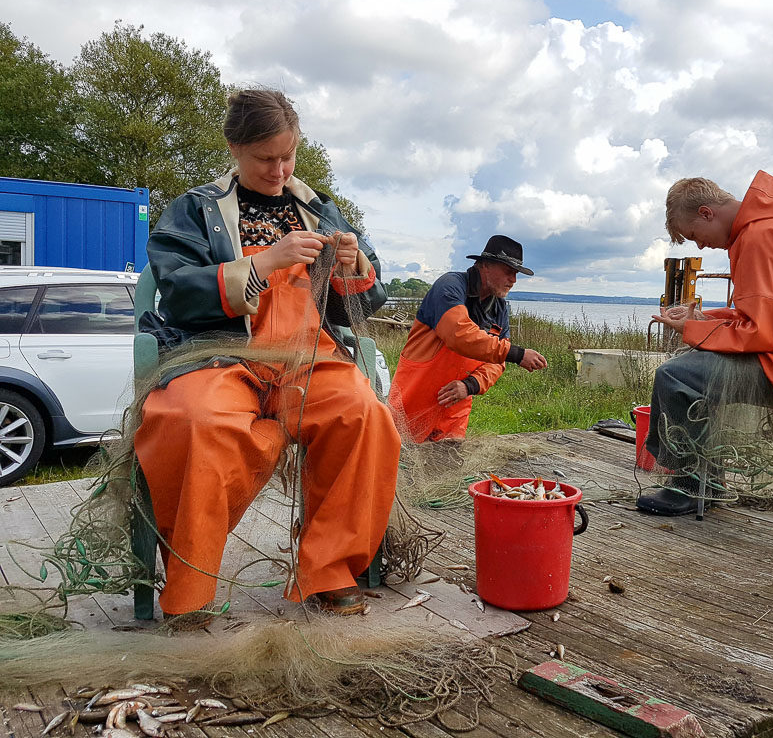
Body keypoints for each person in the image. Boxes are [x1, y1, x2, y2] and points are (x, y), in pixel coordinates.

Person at [135, 89, 400, 622]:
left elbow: (367, 303)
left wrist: (353, 267)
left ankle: (329, 570)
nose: (279, 170)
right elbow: (179, 291)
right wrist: (263, 264)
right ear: (234, 148)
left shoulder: (320, 209)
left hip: (308, 357)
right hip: (219, 354)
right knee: (194, 421)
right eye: (264, 159)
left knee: (364, 414)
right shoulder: (193, 210)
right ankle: (190, 589)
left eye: (288, 156)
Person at [637, 170, 773, 516]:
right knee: (686, 371)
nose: (701, 246)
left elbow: (763, 334)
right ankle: (708, 480)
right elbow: (764, 318)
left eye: (695, 235)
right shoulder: (772, 228)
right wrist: (702, 320)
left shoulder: (759, 237)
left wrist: (693, 330)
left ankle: (689, 484)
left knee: (674, 375)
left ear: (707, 212)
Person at [388, 235, 548, 442]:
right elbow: (459, 334)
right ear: (486, 266)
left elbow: (496, 364)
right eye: (509, 272)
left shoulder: (500, 308)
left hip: (452, 415)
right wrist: (517, 354)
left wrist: (470, 385)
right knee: (398, 468)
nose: (514, 280)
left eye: (516, 274)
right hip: (411, 404)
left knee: (448, 471)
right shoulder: (450, 286)